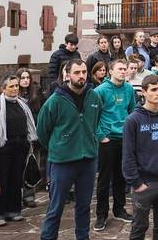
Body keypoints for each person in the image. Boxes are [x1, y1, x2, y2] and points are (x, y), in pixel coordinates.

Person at [37, 59, 102, 240]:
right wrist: (60, 145)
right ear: (67, 75)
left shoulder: (94, 97)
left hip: (88, 160)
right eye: (77, 72)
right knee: (56, 207)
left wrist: (89, 141)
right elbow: (42, 131)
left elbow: (96, 120)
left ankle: (83, 237)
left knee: (84, 206)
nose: (81, 76)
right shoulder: (55, 101)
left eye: (84, 72)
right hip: (62, 162)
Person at [122, 75, 158, 240]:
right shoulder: (133, 120)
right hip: (144, 184)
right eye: (154, 90)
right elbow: (127, 155)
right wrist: (136, 183)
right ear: (143, 92)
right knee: (139, 228)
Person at [0, 75, 38, 226]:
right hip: (3, 149)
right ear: (3, 89)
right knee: (2, 182)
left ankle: (13, 211)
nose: (14, 89)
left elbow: (27, 124)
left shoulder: (22, 104)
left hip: (20, 147)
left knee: (16, 180)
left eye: (16, 86)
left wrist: (28, 141)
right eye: (11, 86)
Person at [93, 59, 136, 231]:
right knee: (104, 179)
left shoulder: (129, 89)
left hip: (124, 139)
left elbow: (133, 111)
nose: (123, 72)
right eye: (119, 69)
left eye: (125, 69)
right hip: (107, 140)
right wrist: (101, 135)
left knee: (121, 176)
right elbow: (92, 115)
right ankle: (101, 215)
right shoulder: (100, 90)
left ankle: (119, 209)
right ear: (110, 71)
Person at [16, 68, 45, 208]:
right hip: (20, 137)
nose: (26, 80)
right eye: (22, 78)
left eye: (27, 77)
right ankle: (16, 196)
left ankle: (29, 196)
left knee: (32, 166)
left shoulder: (37, 94)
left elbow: (44, 112)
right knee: (18, 168)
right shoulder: (14, 94)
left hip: (35, 137)